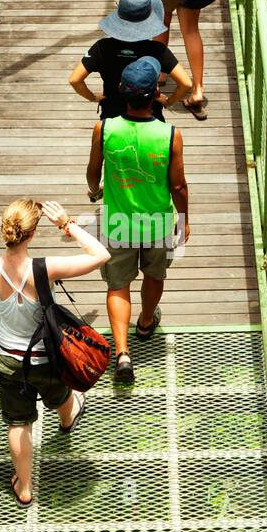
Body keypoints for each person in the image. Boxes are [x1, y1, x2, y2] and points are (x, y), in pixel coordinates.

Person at [0, 198, 110, 505]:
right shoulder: (44, 268)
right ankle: (67, 420)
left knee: (18, 422)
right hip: (45, 358)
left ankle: (24, 488)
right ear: (33, 233)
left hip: (7, 359)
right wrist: (67, 224)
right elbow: (100, 254)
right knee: (62, 393)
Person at [85, 57, 190, 385]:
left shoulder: (105, 129)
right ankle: (145, 323)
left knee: (118, 284)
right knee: (154, 274)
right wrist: (184, 219)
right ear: (157, 93)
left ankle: (123, 353)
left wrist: (95, 190)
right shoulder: (170, 134)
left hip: (118, 223)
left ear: (120, 90)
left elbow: (92, 173)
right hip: (158, 223)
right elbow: (177, 185)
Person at [69, 0, 193, 122]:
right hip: (150, 116)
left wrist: (93, 97)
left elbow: (75, 80)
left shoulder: (102, 47)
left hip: (112, 117)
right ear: (149, 20)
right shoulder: (157, 50)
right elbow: (186, 83)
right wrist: (168, 101)